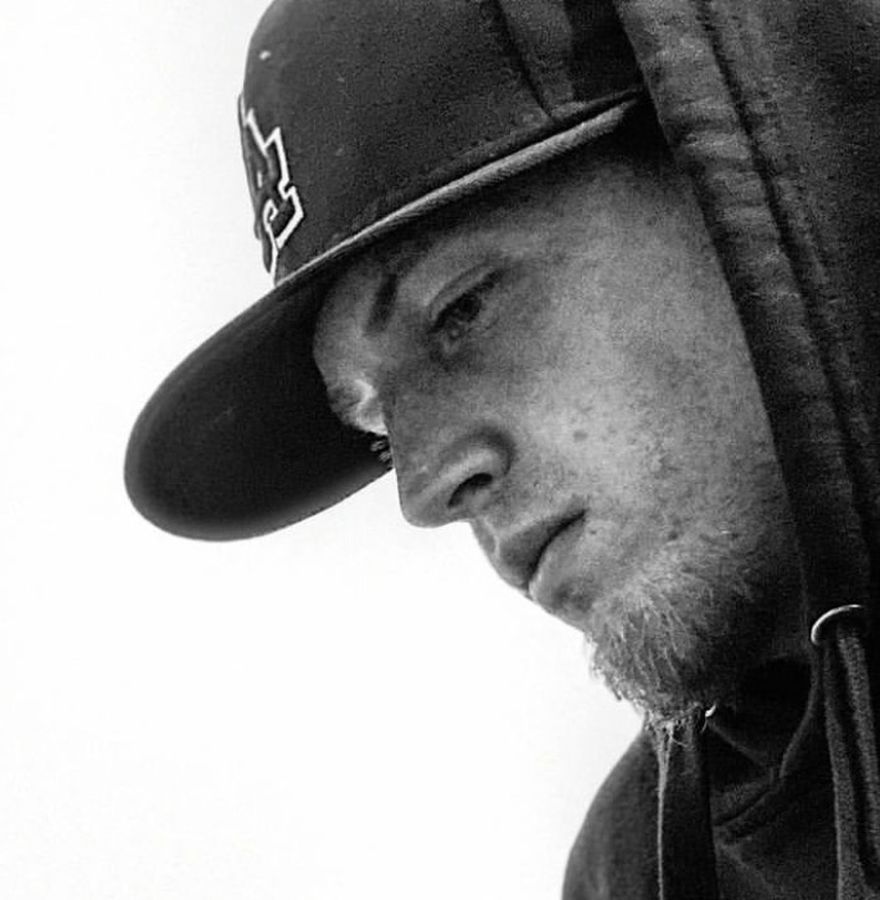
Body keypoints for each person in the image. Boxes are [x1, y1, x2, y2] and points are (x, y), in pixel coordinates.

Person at [124, 1, 880, 897]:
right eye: (375, 428)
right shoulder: (643, 874)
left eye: (462, 309)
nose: (422, 488)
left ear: (744, 164)